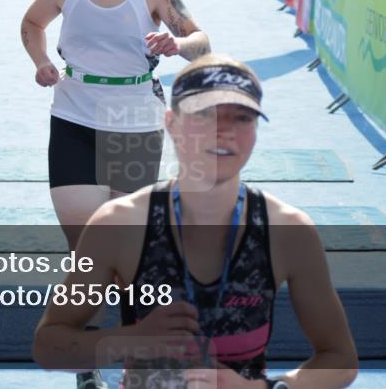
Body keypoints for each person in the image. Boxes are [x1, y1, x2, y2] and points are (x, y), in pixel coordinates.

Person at [33, 55, 360, 389]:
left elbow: (340, 358)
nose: (224, 133)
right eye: (205, 115)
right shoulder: (119, 225)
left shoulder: (288, 231)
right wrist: (131, 339)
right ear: (172, 123)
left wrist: (263, 388)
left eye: (242, 118)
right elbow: (49, 345)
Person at [21, 0, 212, 388]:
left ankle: (136, 365)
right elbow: (31, 25)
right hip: (74, 119)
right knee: (85, 252)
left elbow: (201, 40)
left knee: (128, 253)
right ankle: (87, 362)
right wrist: (42, 62)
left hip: (134, 125)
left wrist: (178, 44)